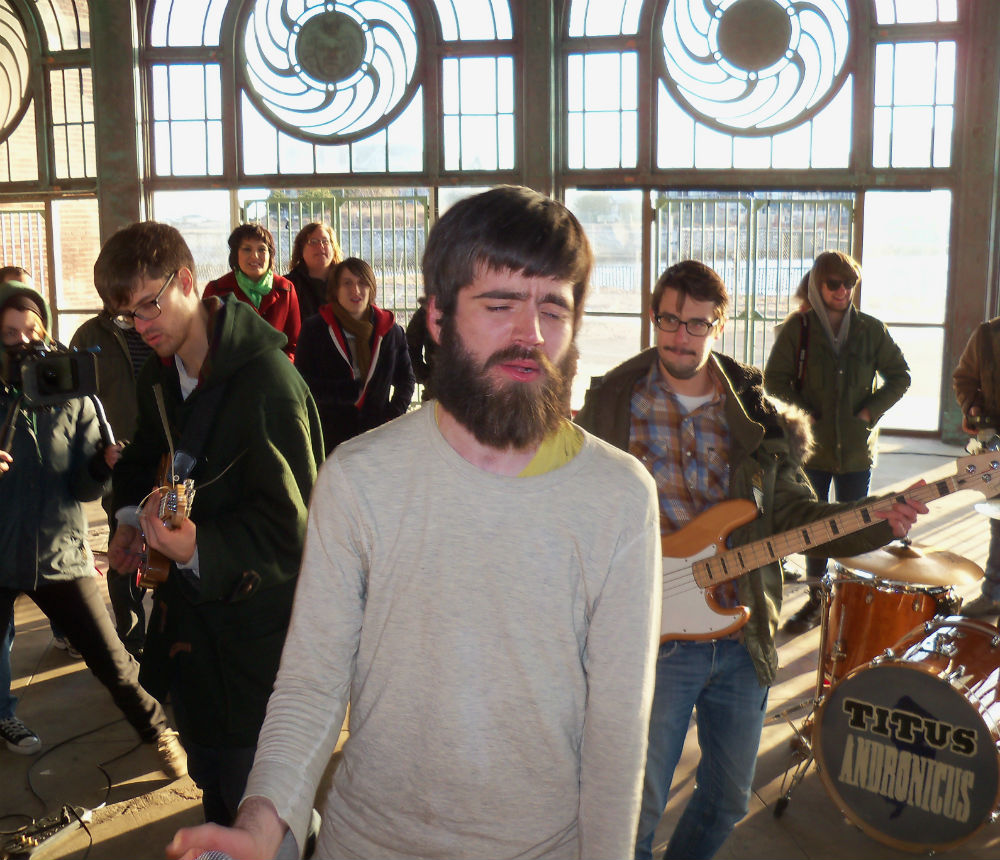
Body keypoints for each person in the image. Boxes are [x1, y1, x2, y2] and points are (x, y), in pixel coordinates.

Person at [167, 185, 662, 860]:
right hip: (366, 843)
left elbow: (618, 728)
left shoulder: (619, 496)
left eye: (554, 307)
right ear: (436, 315)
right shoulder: (360, 478)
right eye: (500, 305)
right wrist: (263, 820)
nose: (531, 334)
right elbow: (312, 682)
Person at [574, 259, 926, 860]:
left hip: (743, 635)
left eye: (697, 324)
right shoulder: (612, 406)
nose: (680, 336)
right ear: (654, 317)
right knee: (635, 811)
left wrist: (876, 517)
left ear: (719, 325)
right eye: (669, 320)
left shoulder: (756, 418)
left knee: (726, 802)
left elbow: (796, 518)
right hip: (653, 639)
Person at [98, 221, 324, 825]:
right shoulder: (162, 373)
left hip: (256, 644)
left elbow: (295, 530)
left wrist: (200, 547)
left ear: (187, 281)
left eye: (150, 304)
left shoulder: (268, 383)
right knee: (214, 783)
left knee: (260, 798)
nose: (141, 325)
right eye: (127, 315)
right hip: (190, 633)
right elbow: (144, 457)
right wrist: (129, 522)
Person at [0, 279, 186, 774]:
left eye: (32, 331)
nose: (24, 343)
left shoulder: (74, 397)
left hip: (58, 552)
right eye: (10, 334)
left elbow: (83, 491)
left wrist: (102, 466)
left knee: (111, 658)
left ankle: (157, 732)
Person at [763, 250, 910, 634]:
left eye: (850, 283)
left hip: (856, 451)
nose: (843, 290)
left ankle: (851, 601)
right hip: (812, 450)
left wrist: (869, 412)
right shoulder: (799, 330)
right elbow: (773, 381)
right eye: (834, 283)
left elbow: (900, 376)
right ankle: (816, 600)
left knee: (857, 523)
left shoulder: (871, 330)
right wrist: (803, 413)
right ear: (817, 285)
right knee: (815, 526)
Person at [70, 306, 154, 658]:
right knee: (125, 545)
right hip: (120, 459)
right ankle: (132, 639)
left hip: (166, 451)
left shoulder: (158, 323)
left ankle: (172, 637)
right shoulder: (90, 336)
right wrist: (98, 451)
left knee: (171, 547)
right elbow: (74, 402)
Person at [294, 256, 415, 453]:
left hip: (378, 436)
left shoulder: (390, 331)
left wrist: (392, 417)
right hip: (330, 436)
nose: (355, 290)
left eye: (362, 283)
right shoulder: (315, 329)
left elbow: (406, 380)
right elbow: (302, 382)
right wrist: (348, 392)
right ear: (335, 289)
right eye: (347, 283)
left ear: (371, 288)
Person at [952, 316, 1000, 617]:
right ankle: (993, 594)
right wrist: (972, 406)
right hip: (996, 442)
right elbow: (964, 378)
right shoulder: (987, 335)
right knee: (999, 517)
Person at [203, 223, 300, 359]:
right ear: (235, 254)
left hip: (275, 369)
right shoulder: (216, 290)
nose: (255, 256)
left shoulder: (285, 289)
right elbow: (206, 341)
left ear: (270, 255)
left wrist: (279, 367)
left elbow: (294, 344)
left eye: (262, 249)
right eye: (247, 249)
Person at [284, 222, 342, 321]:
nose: (320, 246)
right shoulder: (288, 285)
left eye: (325, 241)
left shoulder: (347, 280)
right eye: (313, 242)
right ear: (301, 249)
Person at [405, 295, 437, 400]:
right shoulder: (425, 312)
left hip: (472, 392)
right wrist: (426, 377)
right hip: (436, 391)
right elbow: (409, 349)